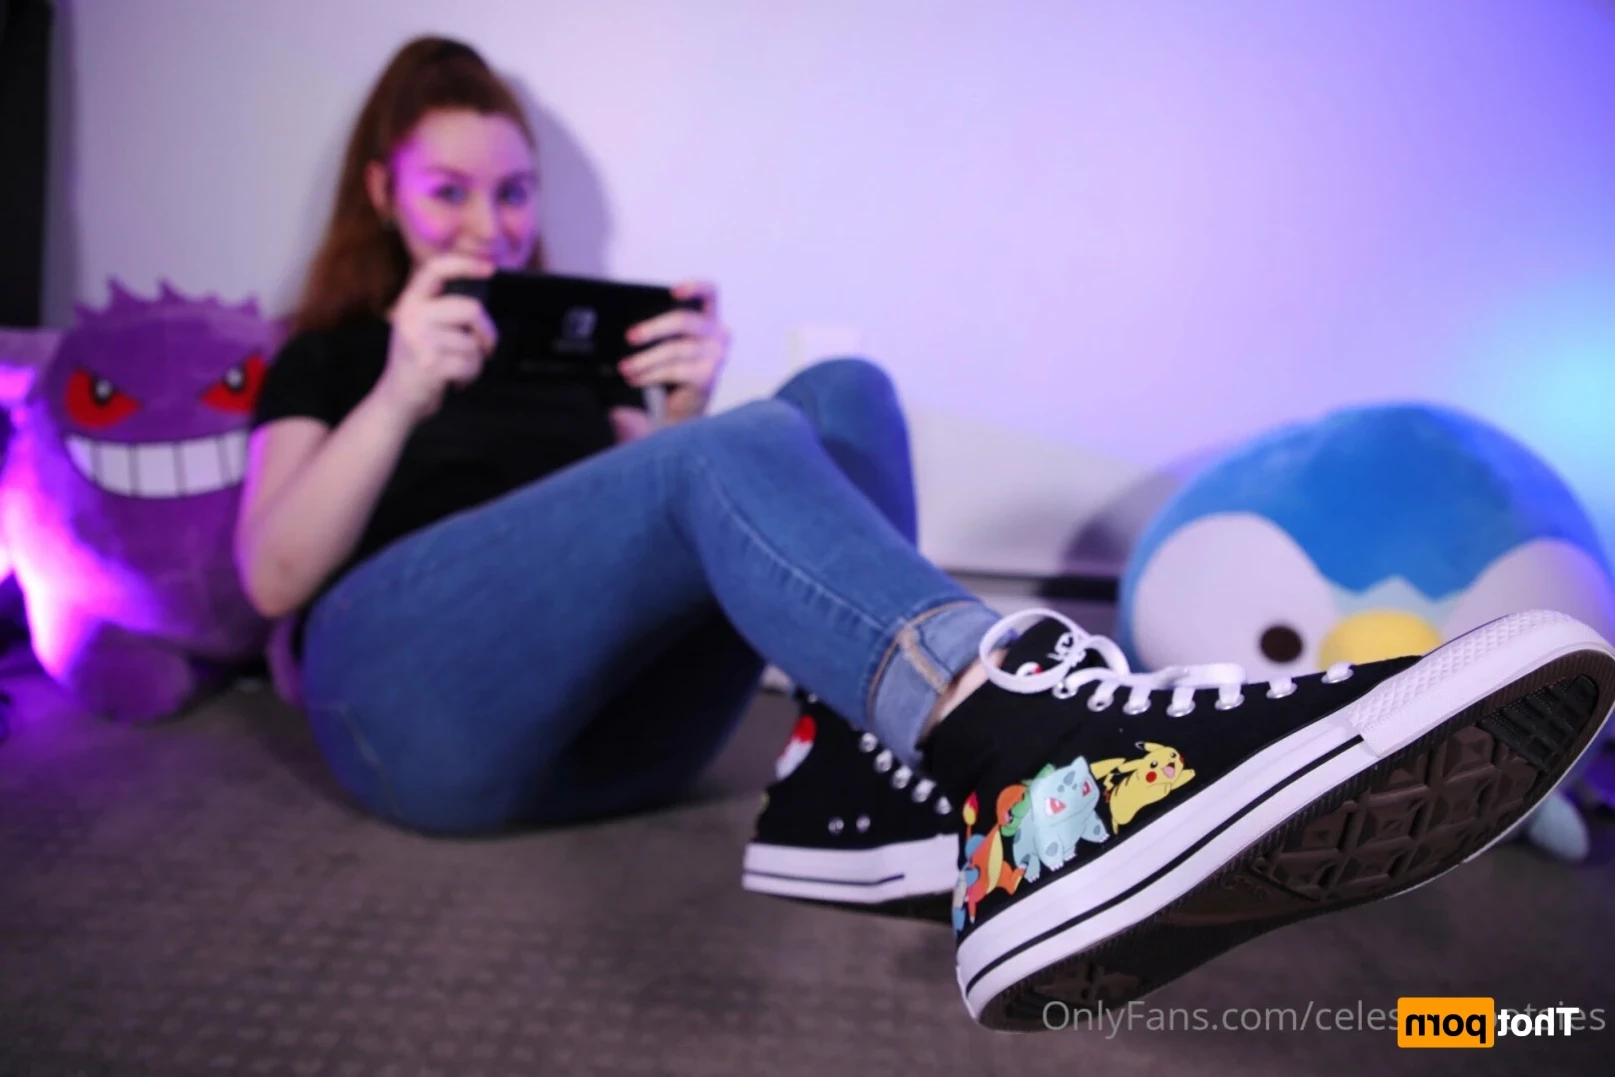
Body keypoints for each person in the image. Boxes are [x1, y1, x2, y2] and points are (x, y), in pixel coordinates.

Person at [238, 35, 1615, 1032]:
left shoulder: (574, 364)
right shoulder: (335, 351)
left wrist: (676, 417)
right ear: (382, 194)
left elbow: (642, 559)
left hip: (612, 747)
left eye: (514, 190)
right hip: (409, 718)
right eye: (450, 191)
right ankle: (1014, 741)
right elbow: (272, 575)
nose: (490, 224)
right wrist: (398, 389)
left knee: (837, 396)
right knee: (729, 452)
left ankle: (867, 781)